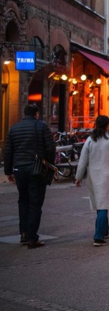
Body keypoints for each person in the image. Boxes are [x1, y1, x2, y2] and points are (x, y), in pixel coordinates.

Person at [4, 104, 56, 249]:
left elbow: (8, 151)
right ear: (36, 114)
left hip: (19, 168)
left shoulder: (13, 129)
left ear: (24, 114)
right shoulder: (41, 127)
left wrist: (8, 171)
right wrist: (49, 164)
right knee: (35, 202)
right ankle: (32, 238)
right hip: (36, 168)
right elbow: (50, 147)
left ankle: (24, 234)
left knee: (23, 200)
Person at [74, 115, 109, 247]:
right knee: (104, 204)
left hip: (94, 175)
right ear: (108, 125)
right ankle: (98, 236)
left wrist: (78, 176)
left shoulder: (90, 140)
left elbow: (83, 159)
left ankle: (104, 230)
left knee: (100, 202)